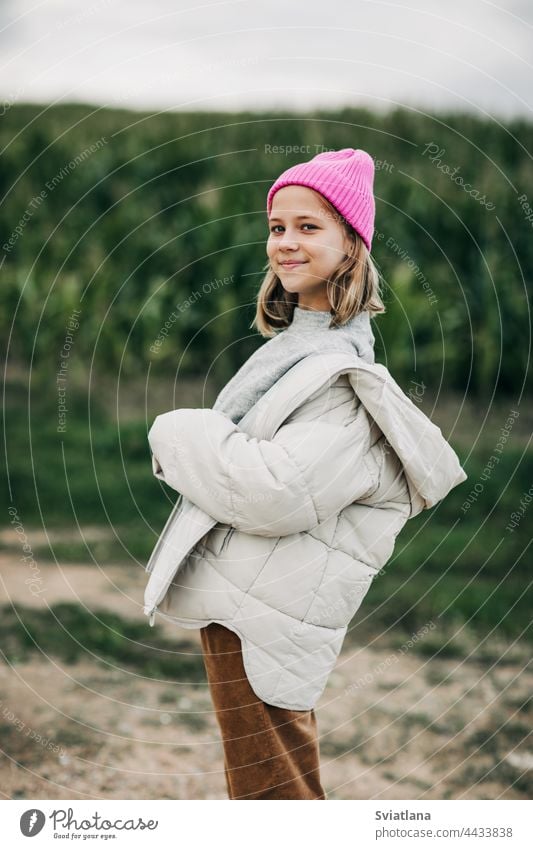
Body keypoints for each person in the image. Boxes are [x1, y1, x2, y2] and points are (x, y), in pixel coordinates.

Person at [143, 148, 468, 800]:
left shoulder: (342, 377)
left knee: (275, 790)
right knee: (265, 779)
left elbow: (275, 493)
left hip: (270, 617)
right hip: (246, 600)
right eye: (276, 225)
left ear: (351, 244)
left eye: (308, 226)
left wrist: (173, 430)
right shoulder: (296, 348)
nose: (285, 242)